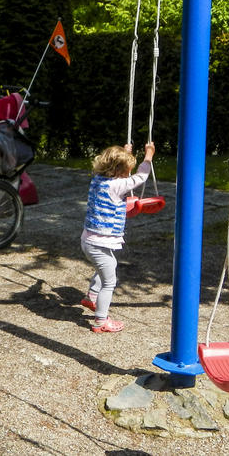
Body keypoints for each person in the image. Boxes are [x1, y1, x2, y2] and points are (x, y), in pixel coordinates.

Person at [80, 141, 155, 333]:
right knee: (109, 282)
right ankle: (100, 321)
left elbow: (122, 172)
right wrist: (148, 155)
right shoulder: (118, 185)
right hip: (99, 243)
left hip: (88, 239)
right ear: (121, 171)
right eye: (126, 169)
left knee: (107, 267)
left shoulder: (97, 179)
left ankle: (91, 297)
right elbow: (142, 176)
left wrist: (124, 153)